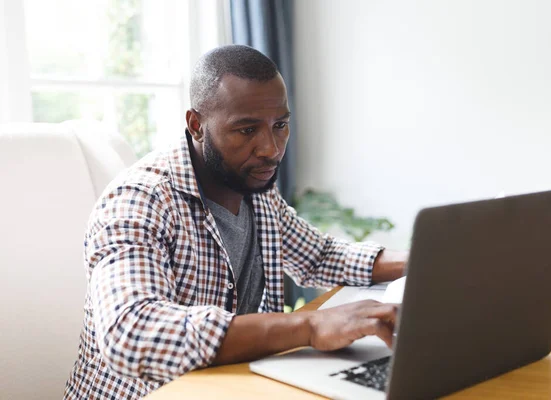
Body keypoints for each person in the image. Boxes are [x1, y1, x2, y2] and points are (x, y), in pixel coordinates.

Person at [63, 45, 406, 399]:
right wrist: (310, 324)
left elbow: (320, 256)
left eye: (281, 125)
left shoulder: (252, 182)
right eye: (246, 130)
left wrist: (427, 264)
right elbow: (130, 333)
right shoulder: (139, 201)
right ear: (196, 125)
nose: (271, 149)